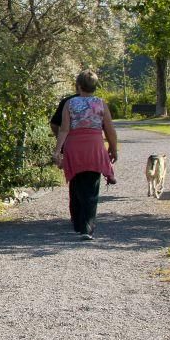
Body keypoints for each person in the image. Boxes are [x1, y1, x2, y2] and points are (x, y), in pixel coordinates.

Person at [52, 70, 118, 240]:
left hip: (74, 148)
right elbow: (110, 130)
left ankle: (78, 223)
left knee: (76, 184)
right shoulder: (101, 104)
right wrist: (113, 148)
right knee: (92, 188)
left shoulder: (70, 103)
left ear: (78, 86)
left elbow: (64, 129)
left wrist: (57, 151)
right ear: (95, 86)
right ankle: (87, 227)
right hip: (94, 147)